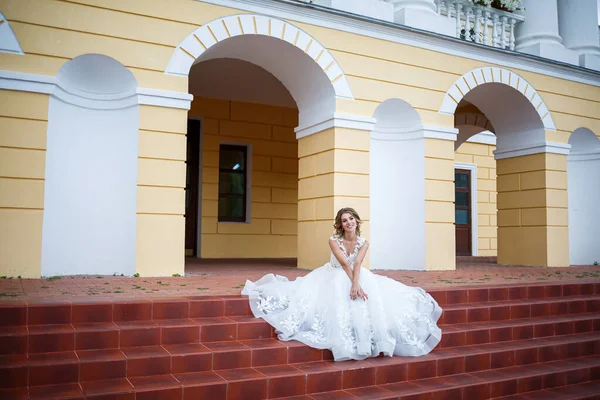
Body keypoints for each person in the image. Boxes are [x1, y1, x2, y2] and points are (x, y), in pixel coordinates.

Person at [241, 207, 442, 361]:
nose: (348, 222)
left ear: (356, 221)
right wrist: (353, 285)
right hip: (334, 274)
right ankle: (345, 341)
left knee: (367, 299)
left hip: (358, 273)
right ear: (341, 224)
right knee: (340, 296)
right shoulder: (334, 240)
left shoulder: (364, 242)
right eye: (344, 220)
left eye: (351, 219)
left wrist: (357, 283)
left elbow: (358, 263)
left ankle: (369, 339)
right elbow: (345, 263)